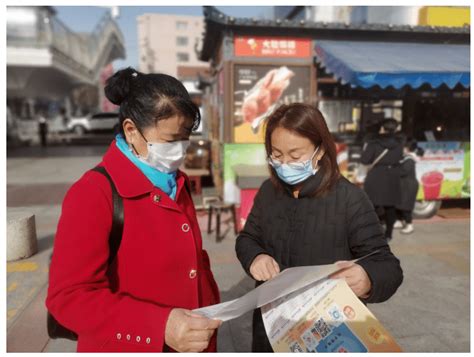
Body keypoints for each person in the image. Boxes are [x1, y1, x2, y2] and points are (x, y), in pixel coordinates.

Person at [46, 67, 221, 352]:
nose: (180, 150)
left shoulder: (174, 181)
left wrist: (211, 306)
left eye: (185, 137)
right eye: (170, 139)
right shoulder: (93, 193)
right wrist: (159, 326)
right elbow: (68, 297)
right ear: (131, 130)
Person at [235, 103, 403, 352]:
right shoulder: (269, 191)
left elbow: (387, 265)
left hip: (326, 331)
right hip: (272, 328)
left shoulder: (349, 199)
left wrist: (367, 278)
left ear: (320, 150)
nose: (285, 164)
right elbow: (247, 238)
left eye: (295, 155)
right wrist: (255, 257)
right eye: (277, 154)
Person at [361, 118, 404, 242]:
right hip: (392, 177)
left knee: (372, 206)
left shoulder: (374, 142)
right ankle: (388, 234)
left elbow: (364, 160)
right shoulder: (399, 143)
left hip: (376, 176)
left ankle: (373, 233)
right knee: (390, 207)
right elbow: (400, 157)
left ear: (383, 128)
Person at [395, 140, 424, 234]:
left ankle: (409, 225)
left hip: (409, 186)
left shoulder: (409, 160)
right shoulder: (406, 158)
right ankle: (399, 221)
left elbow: (403, 171)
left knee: (406, 206)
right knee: (399, 204)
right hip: (405, 185)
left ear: (406, 149)